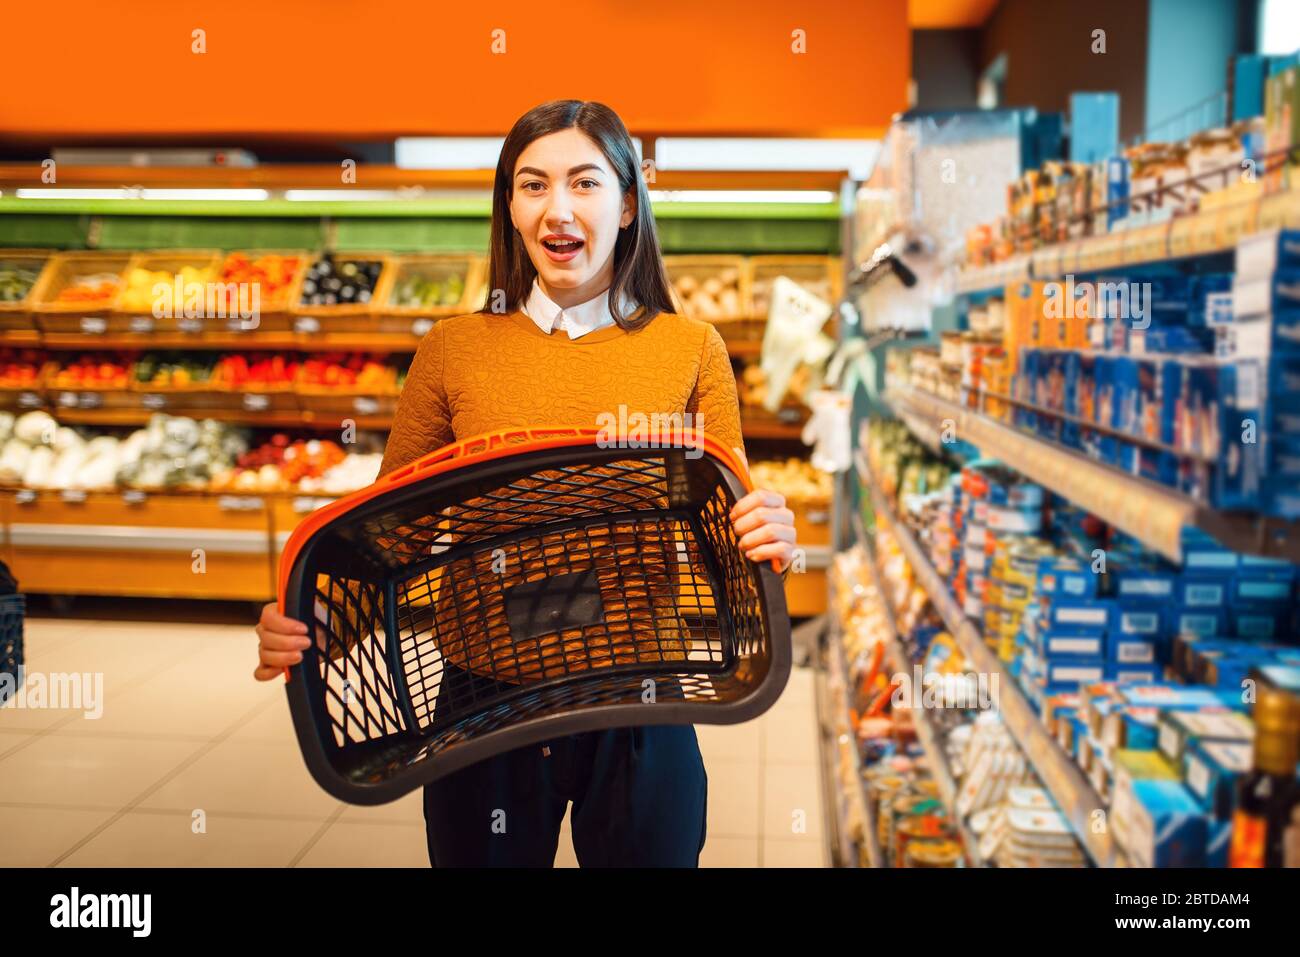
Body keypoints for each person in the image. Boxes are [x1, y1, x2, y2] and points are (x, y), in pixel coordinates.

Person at [255, 100, 797, 867]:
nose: (559, 209)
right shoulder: (452, 350)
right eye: (533, 185)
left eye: (584, 183)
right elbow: (383, 542)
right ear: (509, 205)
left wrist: (770, 537)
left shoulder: (691, 348)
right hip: (484, 704)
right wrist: (308, 624)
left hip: (641, 700)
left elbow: (725, 529)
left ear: (628, 202)